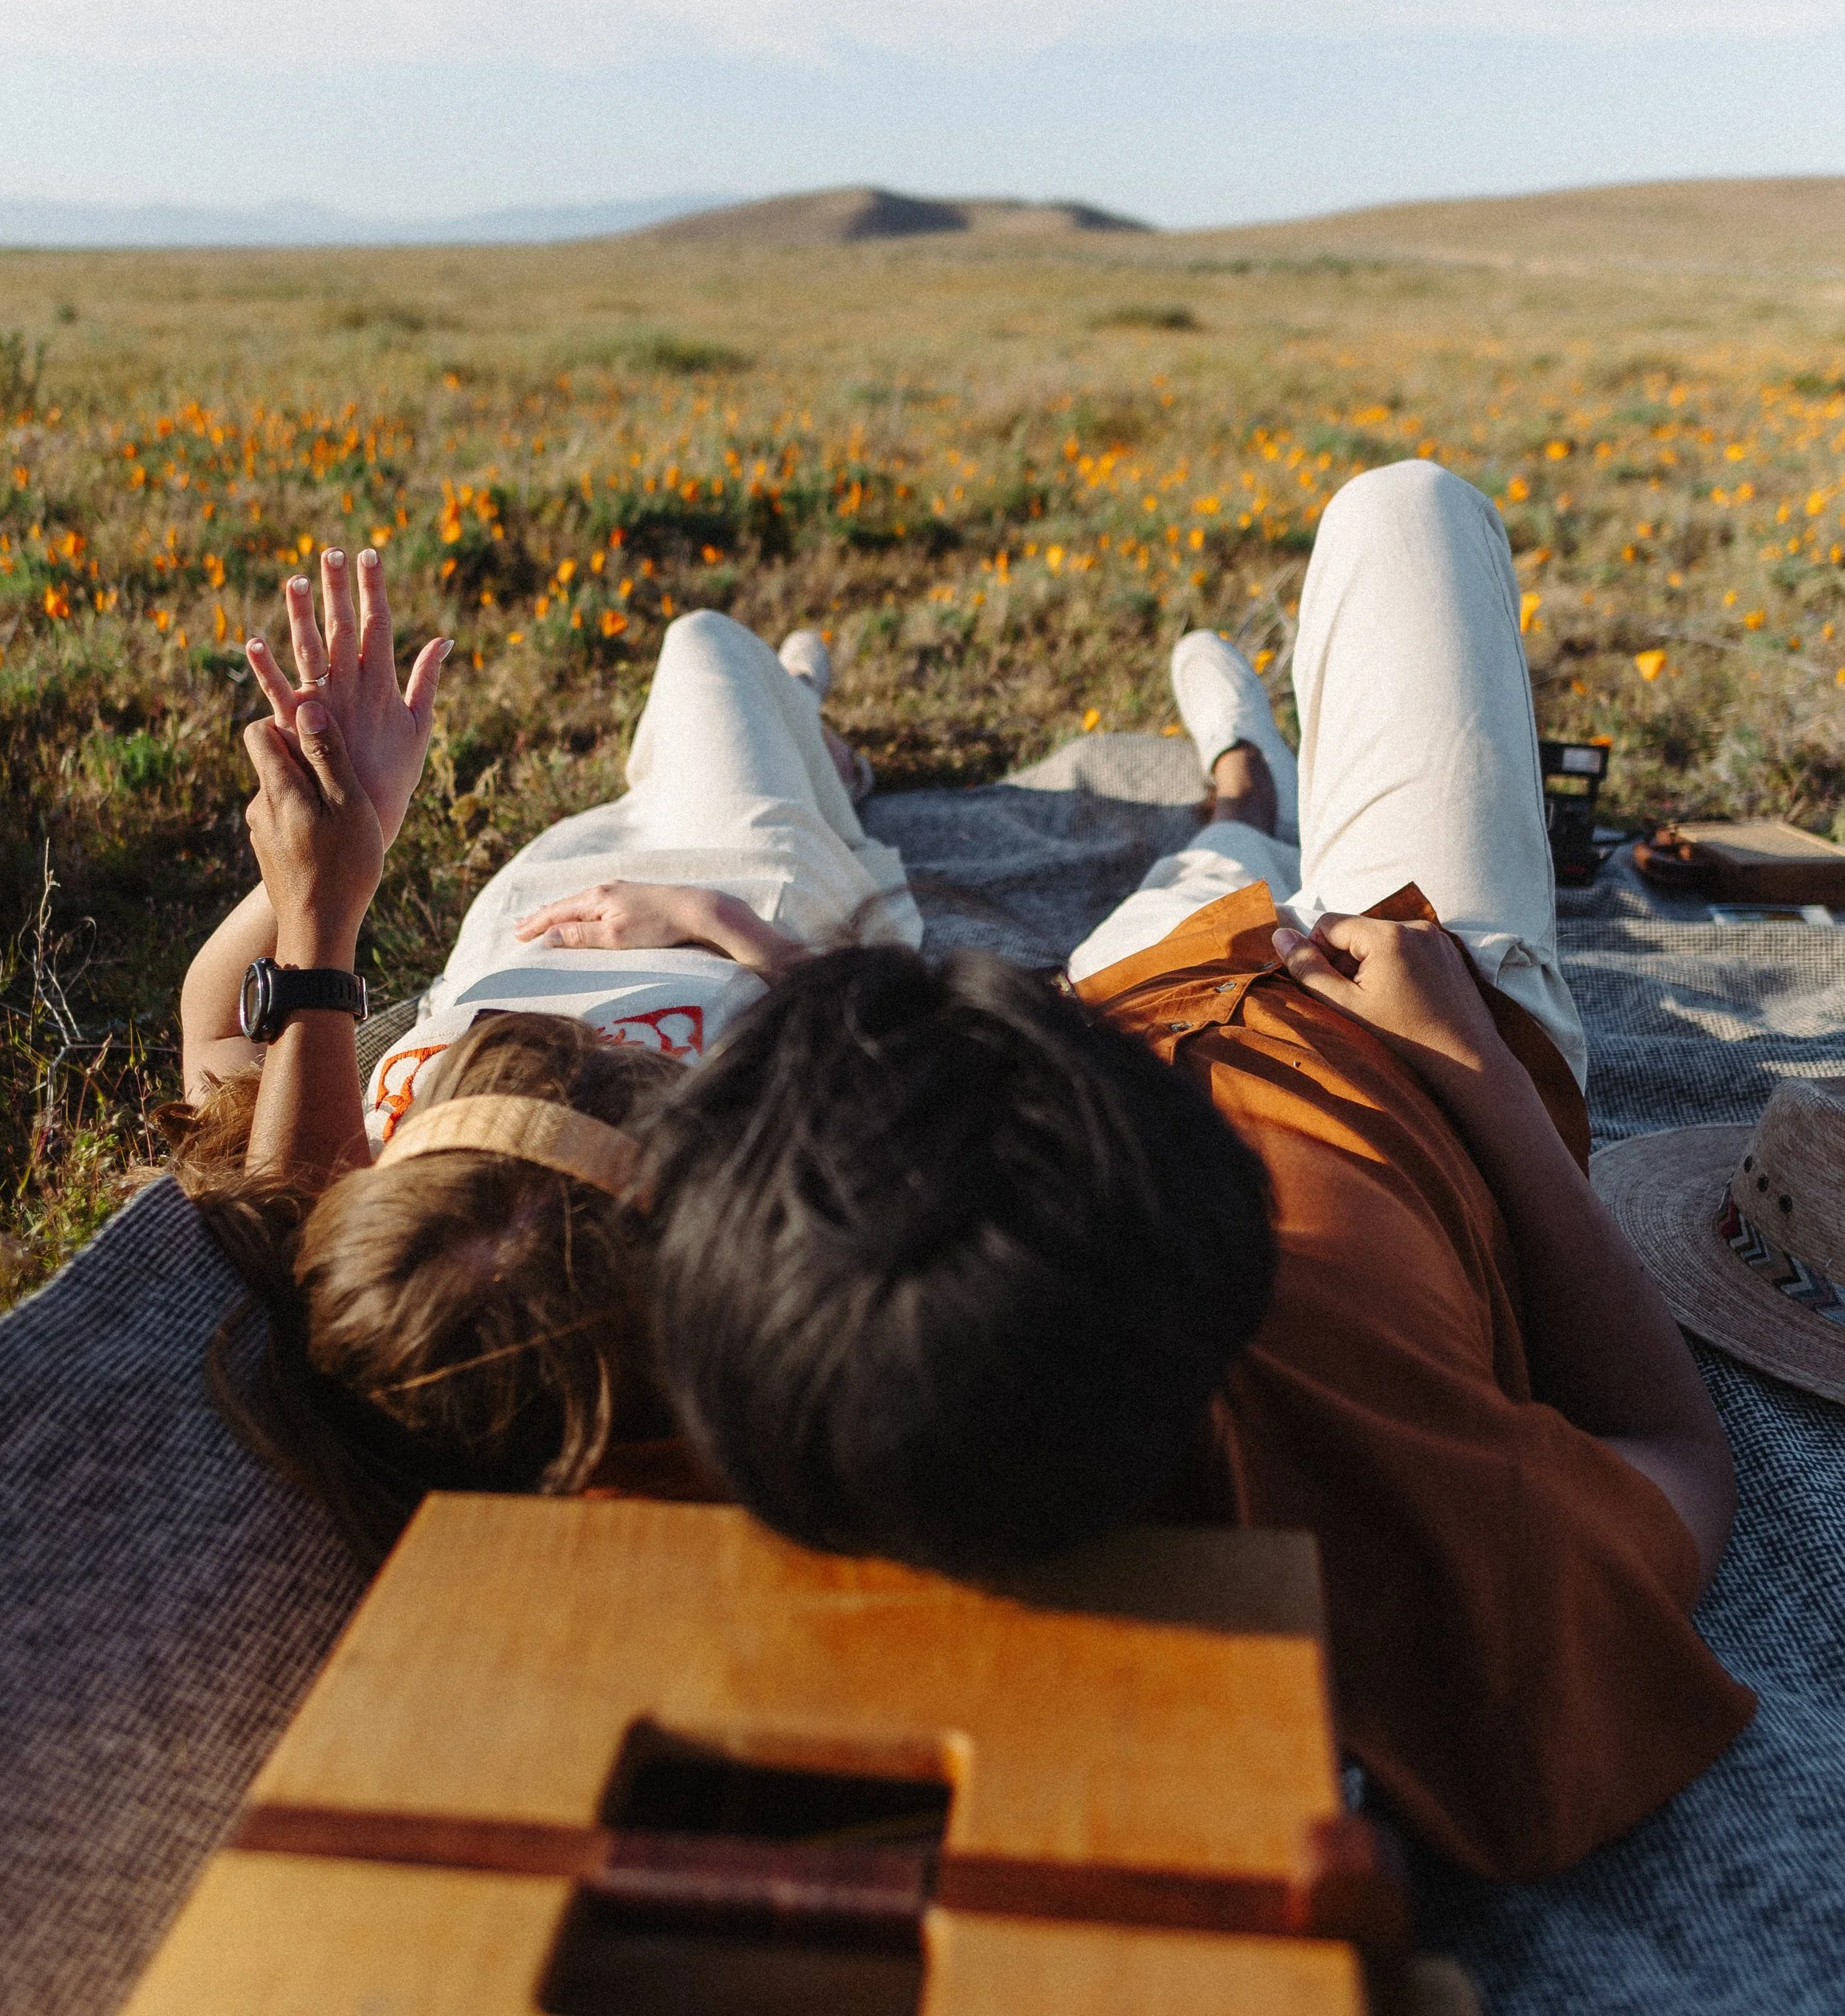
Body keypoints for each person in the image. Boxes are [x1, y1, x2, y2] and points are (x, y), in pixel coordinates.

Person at [641, 462, 1755, 1880]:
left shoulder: (799, 1373)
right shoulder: (1412, 1475)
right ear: (1228, 1240)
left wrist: (779, 962)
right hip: (1425, 1004)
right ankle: (1249, 790)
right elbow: (1678, 1453)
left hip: (1125, 1001)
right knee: (1403, 510)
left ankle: (1245, 787)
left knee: (1199, 874)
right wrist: (1472, 1055)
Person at [174, 547, 917, 1553]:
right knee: (705, 645)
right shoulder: (745, 1184)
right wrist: (715, 916)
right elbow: (884, 1015)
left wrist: (337, 874)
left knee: (708, 681)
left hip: (542, 893)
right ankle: (821, 752)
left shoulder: (392, 1245)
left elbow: (218, 1034)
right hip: (744, 881)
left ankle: (798, 730)